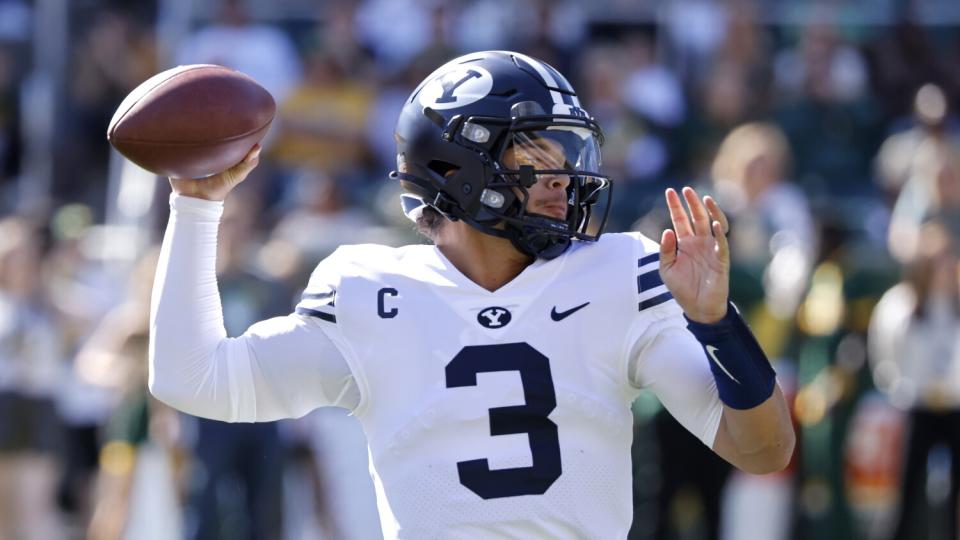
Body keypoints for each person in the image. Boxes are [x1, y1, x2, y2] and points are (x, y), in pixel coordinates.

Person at [150, 51, 794, 539]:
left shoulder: (621, 269)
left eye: (568, 150)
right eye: (538, 153)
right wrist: (195, 208)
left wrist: (715, 325)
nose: (564, 180)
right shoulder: (370, 290)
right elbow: (193, 380)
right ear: (459, 169)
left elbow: (764, 449)